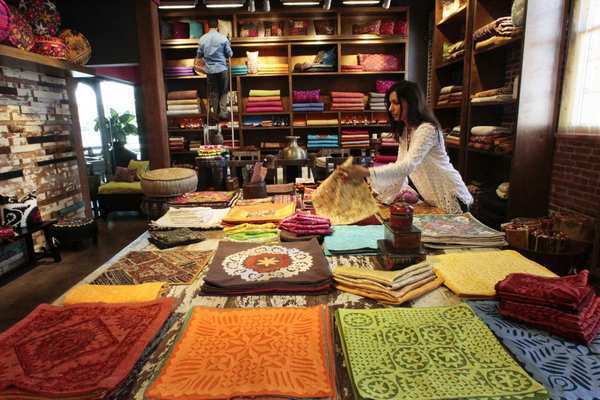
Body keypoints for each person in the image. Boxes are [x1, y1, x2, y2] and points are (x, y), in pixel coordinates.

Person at [338, 81, 473, 213]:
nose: (391, 109)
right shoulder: (406, 131)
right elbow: (401, 168)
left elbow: (407, 166)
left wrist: (367, 172)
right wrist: (380, 194)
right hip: (432, 200)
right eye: (390, 103)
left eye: (396, 103)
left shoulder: (427, 129)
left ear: (412, 103)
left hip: (453, 197)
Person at [195, 18, 233, 121]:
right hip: (222, 69)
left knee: (214, 91)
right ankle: (223, 112)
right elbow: (230, 54)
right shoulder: (223, 38)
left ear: (208, 26)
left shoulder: (202, 38)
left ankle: (215, 115)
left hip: (210, 70)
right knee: (224, 91)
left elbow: (199, 54)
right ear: (218, 27)